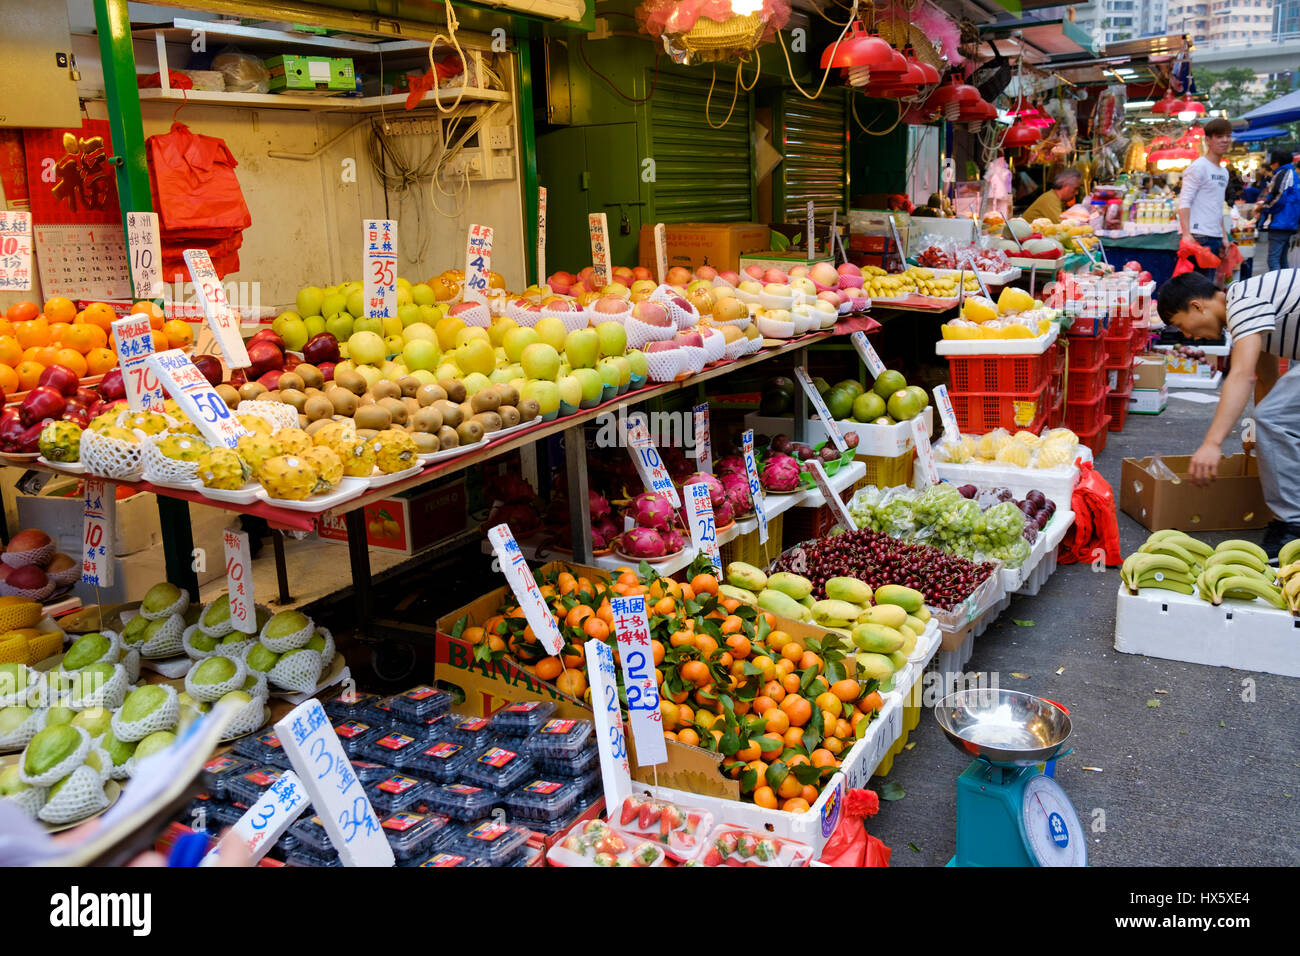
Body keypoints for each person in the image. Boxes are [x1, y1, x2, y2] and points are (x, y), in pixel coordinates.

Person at [1157, 269, 1300, 553]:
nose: (1188, 335)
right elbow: (1267, 379)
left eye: (1181, 325)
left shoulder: (1243, 302)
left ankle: (1293, 526)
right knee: (1276, 418)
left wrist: (1212, 444)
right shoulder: (1249, 309)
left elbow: (1242, 375)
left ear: (1197, 305)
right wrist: (1260, 436)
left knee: (1274, 417)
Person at [1177, 118, 1233, 276]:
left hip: (1214, 236)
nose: (1225, 140)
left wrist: (1223, 236)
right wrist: (1187, 234)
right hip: (1199, 236)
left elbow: (1217, 205)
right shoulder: (1198, 167)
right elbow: (1184, 201)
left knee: (1208, 287)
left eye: (1227, 136)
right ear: (1208, 140)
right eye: (1219, 136)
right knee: (1199, 288)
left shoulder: (1224, 172)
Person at [1259, 149, 1299, 272]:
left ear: (1276, 163)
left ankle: (1277, 287)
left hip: (1281, 222)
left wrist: (1263, 208)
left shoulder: (1283, 173)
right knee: (1281, 259)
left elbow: (1279, 198)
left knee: (1273, 259)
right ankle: (1286, 287)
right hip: (1288, 222)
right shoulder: (1292, 174)